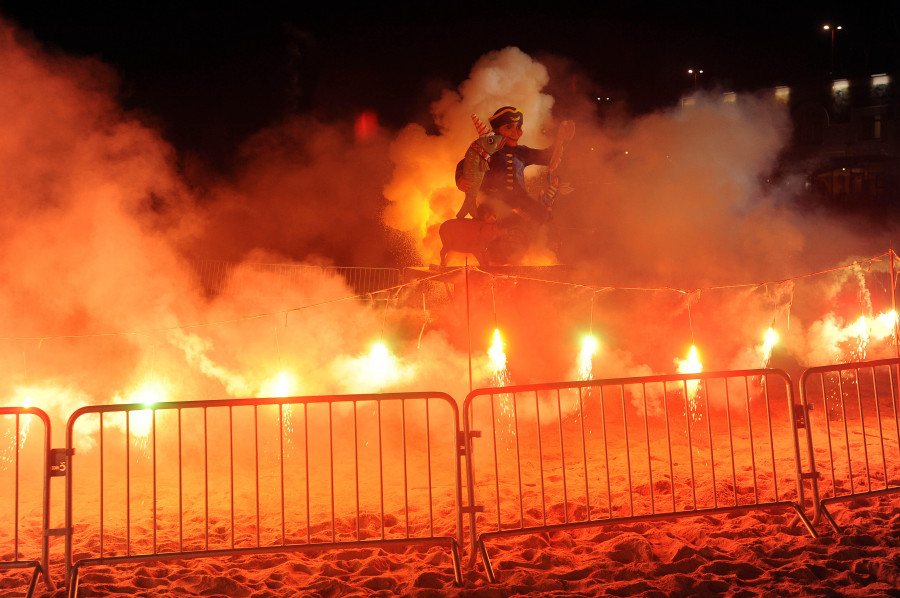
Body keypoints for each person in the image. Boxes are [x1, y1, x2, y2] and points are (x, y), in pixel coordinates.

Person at [456, 106, 574, 222]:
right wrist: (461, 178)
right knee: (491, 219)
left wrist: (562, 140)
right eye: (508, 127)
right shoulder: (488, 150)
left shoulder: (522, 152)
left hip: (520, 200)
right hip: (492, 202)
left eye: (518, 127)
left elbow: (547, 157)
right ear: (496, 131)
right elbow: (466, 164)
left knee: (542, 216)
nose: (516, 133)